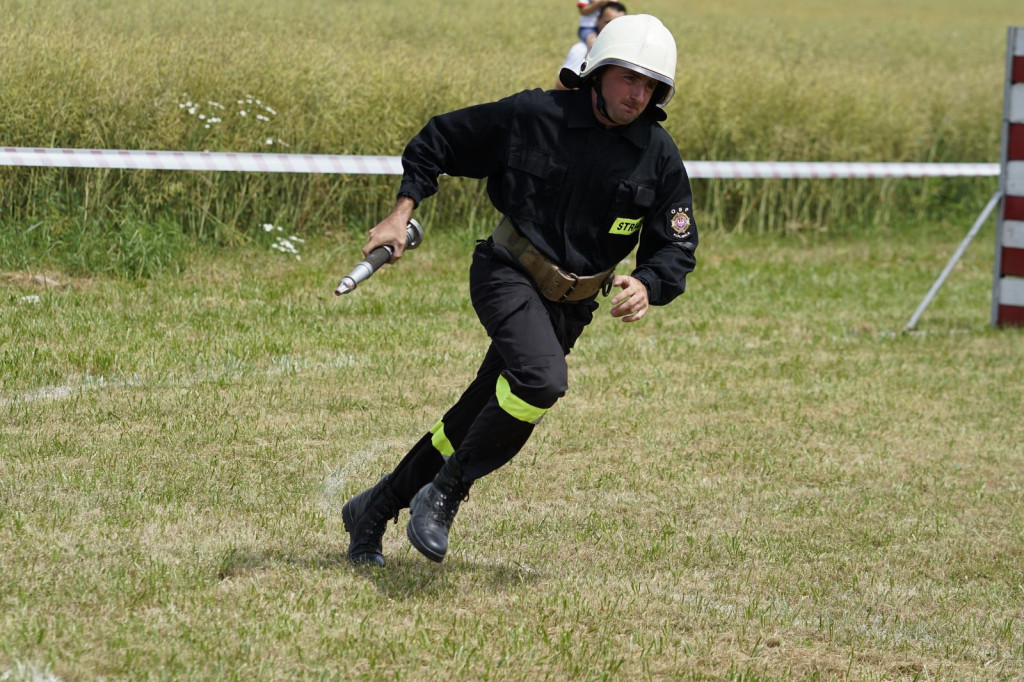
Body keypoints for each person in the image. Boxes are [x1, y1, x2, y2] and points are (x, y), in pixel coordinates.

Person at [341, 14, 698, 567]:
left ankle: (375, 508)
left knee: (477, 414)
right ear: (599, 72)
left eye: (650, 85)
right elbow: (438, 140)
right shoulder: (535, 116)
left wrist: (647, 284)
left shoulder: (658, 153)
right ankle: (445, 494)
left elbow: (674, 246)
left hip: (572, 307)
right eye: (629, 78)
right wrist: (399, 213)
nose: (638, 94)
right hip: (507, 271)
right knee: (542, 379)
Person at [556, 1, 626, 90]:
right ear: (598, 20)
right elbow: (560, 85)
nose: (613, 28)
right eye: (608, 22)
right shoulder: (581, 50)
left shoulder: (628, 52)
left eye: (618, 23)